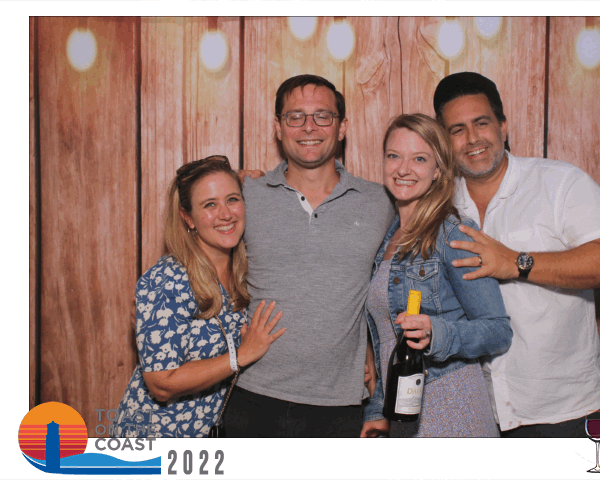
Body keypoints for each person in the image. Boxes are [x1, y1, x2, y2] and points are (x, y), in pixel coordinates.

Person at [433, 72, 600, 437]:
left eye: (482, 123)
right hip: (479, 416)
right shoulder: (439, 207)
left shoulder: (559, 183)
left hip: (564, 414)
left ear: (503, 126)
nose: (472, 138)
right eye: (457, 130)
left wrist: (516, 262)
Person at [222, 75, 395, 437]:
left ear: (342, 127)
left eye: (322, 116)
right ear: (278, 127)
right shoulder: (246, 194)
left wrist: (372, 354)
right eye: (295, 117)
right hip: (252, 394)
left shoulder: (381, 202)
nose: (309, 127)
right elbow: (199, 248)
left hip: (341, 404)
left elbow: (396, 287)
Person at [360, 114, 512, 438]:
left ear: (438, 170)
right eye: (394, 156)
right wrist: (377, 410)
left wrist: (437, 333)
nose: (403, 169)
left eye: (419, 159)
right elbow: (389, 342)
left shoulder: (453, 234)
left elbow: (498, 331)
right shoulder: (387, 238)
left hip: (451, 407)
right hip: (403, 413)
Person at [114, 156, 285, 438]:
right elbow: (161, 383)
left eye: (232, 199)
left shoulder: (246, 273)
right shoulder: (168, 279)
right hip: (153, 440)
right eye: (209, 205)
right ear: (188, 217)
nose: (225, 214)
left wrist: (257, 181)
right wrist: (241, 355)